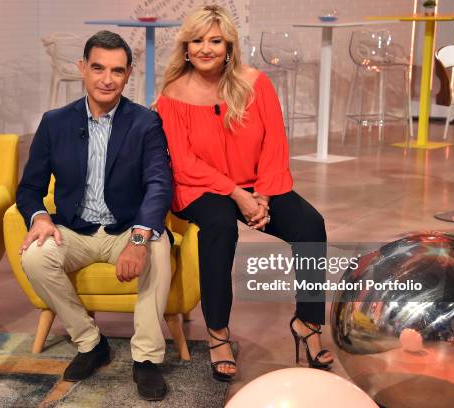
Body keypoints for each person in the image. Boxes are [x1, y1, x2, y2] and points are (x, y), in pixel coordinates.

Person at [155, 5, 334, 381]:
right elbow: (184, 163)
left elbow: (274, 144)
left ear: (229, 46)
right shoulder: (173, 95)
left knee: (310, 225)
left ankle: (309, 323)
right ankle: (218, 333)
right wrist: (237, 193)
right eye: (198, 40)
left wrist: (264, 196)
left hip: (257, 184)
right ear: (186, 47)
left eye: (216, 41)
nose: (206, 48)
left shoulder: (255, 82)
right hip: (201, 186)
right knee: (220, 226)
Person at [17, 30, 172, 401]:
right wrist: (39, 216)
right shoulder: (54, 122)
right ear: (82, 68)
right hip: (75, 229)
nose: (107, 79)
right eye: (98, 68)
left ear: (129, 74)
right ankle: (90, 343)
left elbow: (158, 185)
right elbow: (28, 188)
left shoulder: (144, 123)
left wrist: (138, 240)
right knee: (36, 257)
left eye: (117, 71)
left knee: (158, 250)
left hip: (126, 227)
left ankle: (147, 359)